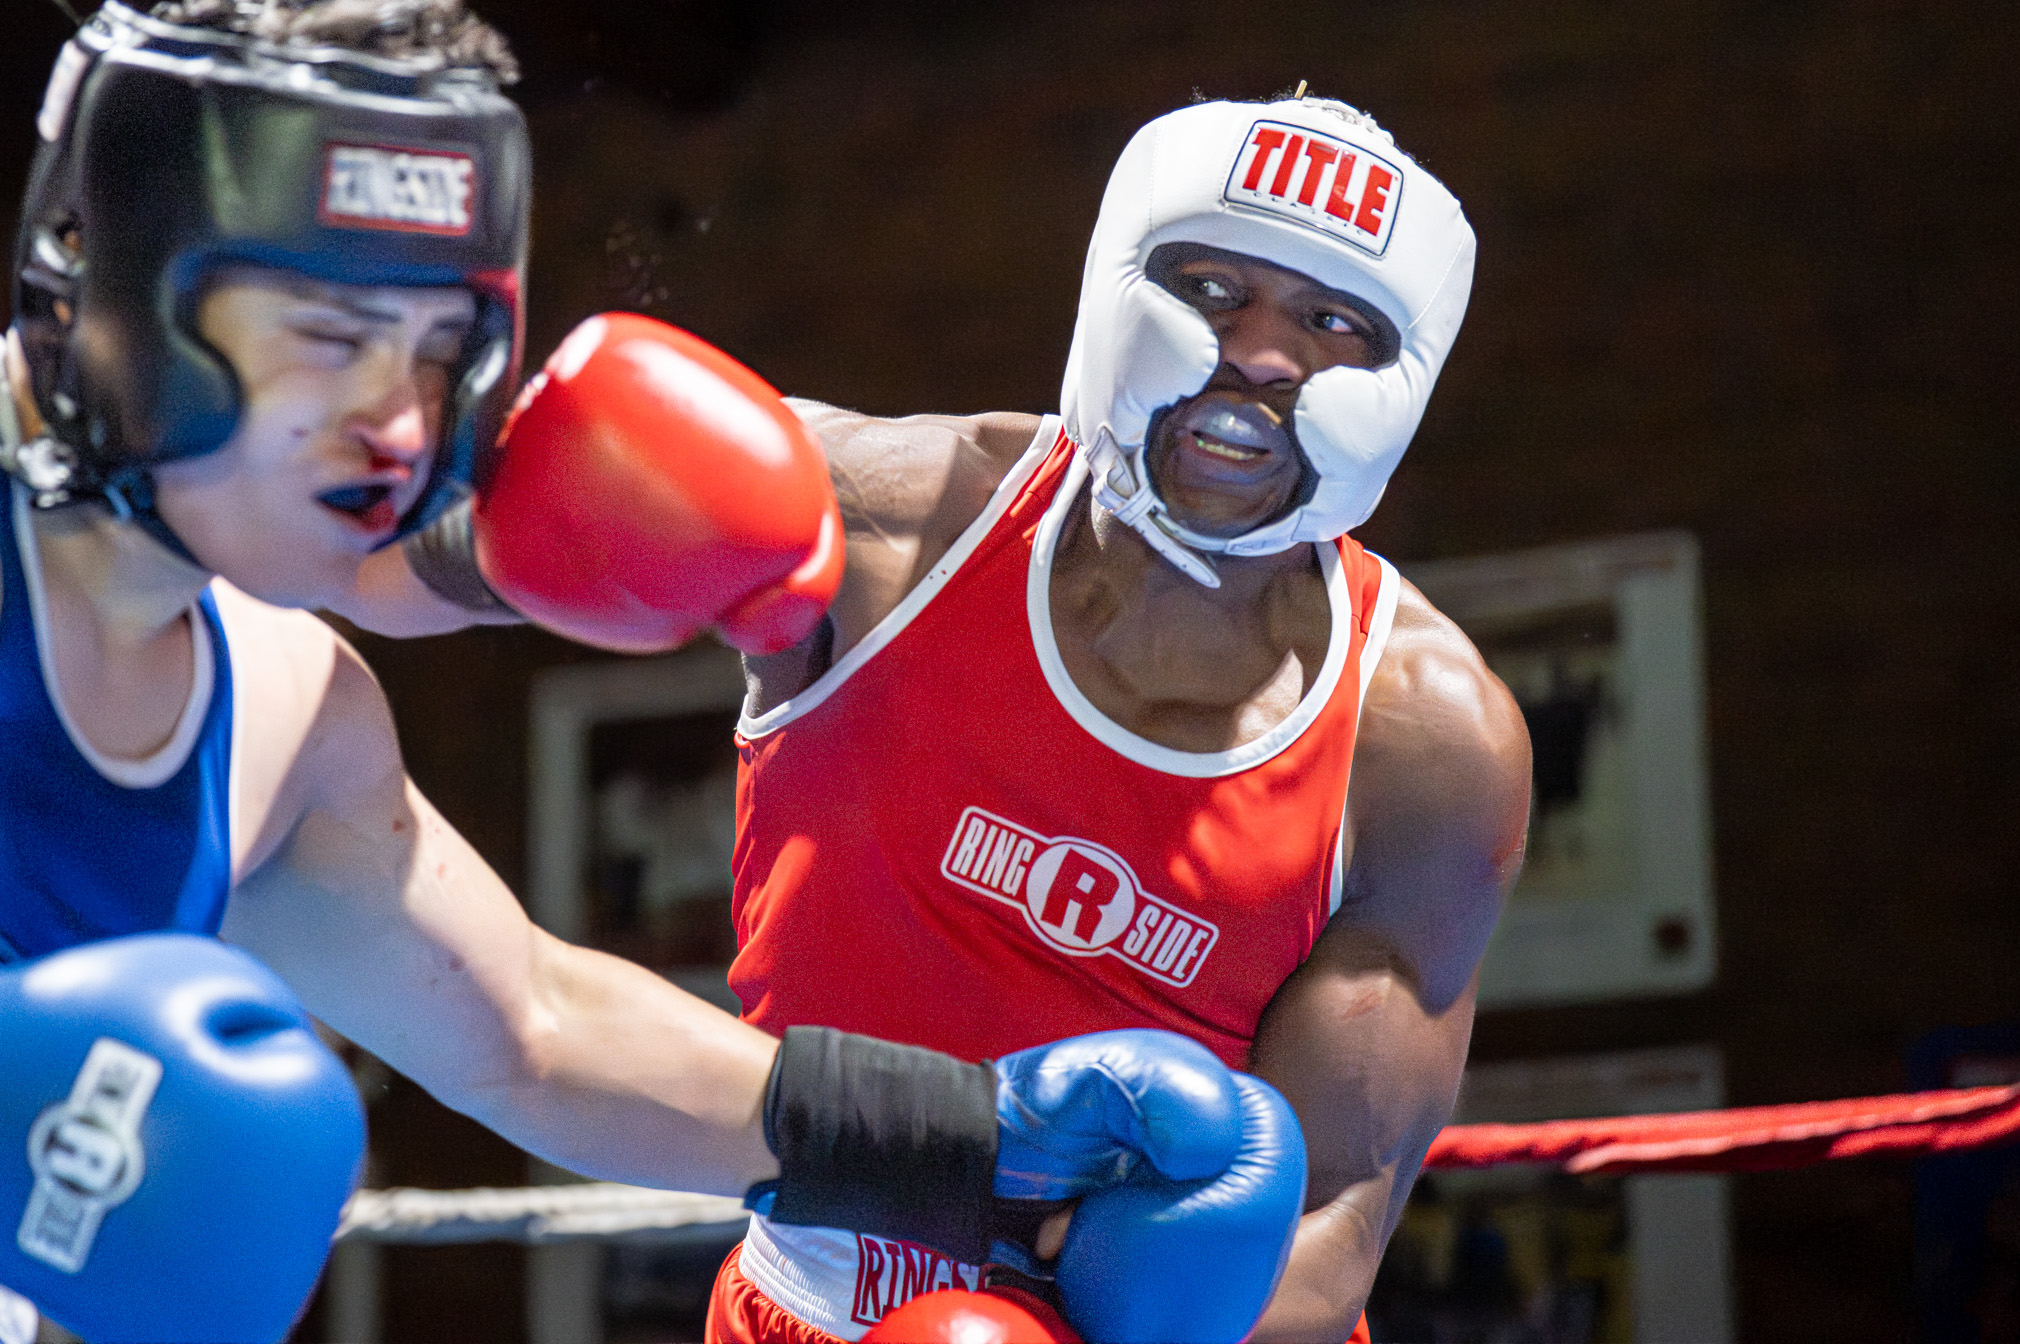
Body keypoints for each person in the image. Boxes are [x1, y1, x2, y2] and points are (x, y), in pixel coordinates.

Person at [0, 6, 1308, 1341]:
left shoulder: (281, 710)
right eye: (329, 337)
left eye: (440, 352)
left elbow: (536, 1035)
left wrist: (974, 1148)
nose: (394, 423)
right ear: (109, 285)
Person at [706, 96, 1535, 1342]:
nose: (1260, 354)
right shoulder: (878, 528)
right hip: (806, 1300)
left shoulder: (1421, 739)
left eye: (1330, 322)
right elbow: (456, 531)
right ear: (1115, 288)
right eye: (1210, 288)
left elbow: (1336, 1219)